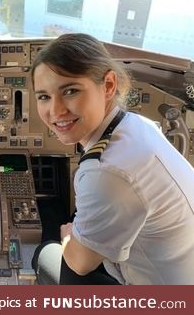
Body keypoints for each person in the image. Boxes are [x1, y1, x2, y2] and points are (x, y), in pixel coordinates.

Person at [31, 33, 194, 285]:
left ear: (108, 85)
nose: (56, 111)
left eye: (70, 91)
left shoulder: (106, 171)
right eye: (44, 96)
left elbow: (80, 263)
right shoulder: (138, 124)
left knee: (46, 253)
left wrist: (67, 237)